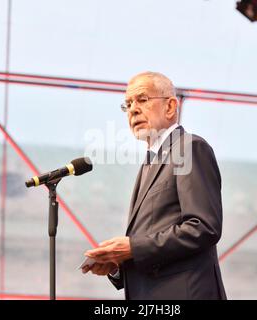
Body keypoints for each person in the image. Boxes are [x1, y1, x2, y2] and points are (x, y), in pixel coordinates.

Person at [82, 71, 226, 300]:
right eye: (127, 104)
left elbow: (202, 227)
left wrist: (133, 248)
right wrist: (119, 263)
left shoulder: (188, 148)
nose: (133, 109)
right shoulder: (151, 162)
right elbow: (153, 237)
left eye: (142, 99)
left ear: (170, 107)